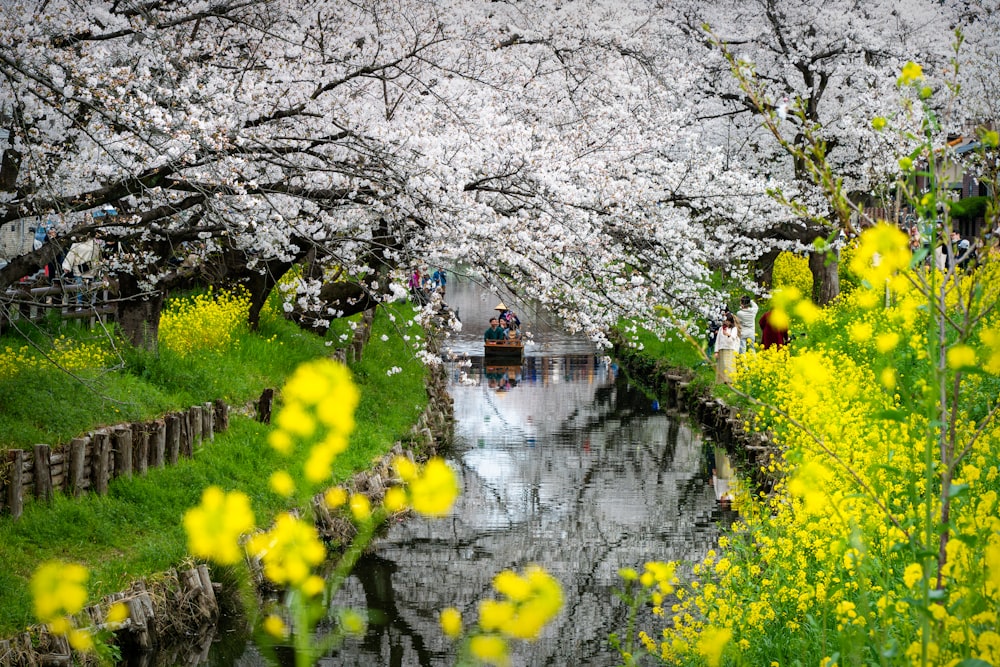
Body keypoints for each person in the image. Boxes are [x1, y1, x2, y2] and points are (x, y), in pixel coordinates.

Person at [713, 312, 740, 384]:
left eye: (727, 321)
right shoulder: (721, 329)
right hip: (722, 348)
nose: (726, 322)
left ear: (730, 321)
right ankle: (722, 380)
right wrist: (716, 351)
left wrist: (728, 334)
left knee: (729, 365)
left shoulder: (734, 329)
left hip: (730, 349)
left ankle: (730, 380)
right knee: (722, 366)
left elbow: (733, 338)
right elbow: (718, 340)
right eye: (725, 321)